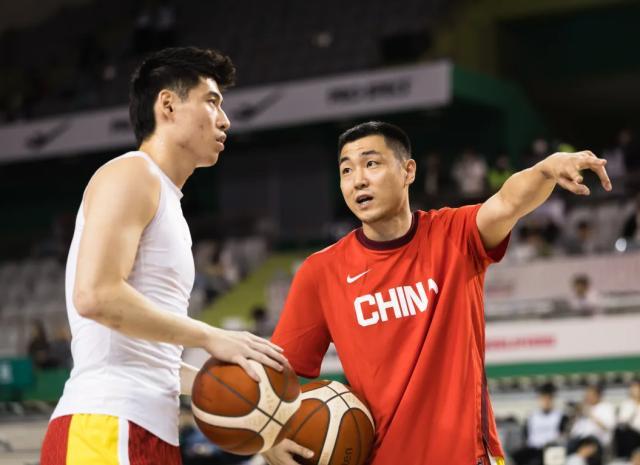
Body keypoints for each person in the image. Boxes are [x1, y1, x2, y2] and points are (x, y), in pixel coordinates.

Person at [263, 121, 612, 465]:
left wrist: (546, 169)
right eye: (346, 170)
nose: (359, 180)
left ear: (408, 171)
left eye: (371, 163)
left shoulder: (455, 234)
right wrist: (268, 435)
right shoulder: (321, 272)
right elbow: (277, 370)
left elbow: (507, 202)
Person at [40, 47, 286, 465]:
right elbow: (95, 295)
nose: (225, 120)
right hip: (106, 426)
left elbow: (154, 364)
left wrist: (263, 418)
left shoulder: (168, 202)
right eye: (212, 101)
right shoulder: (132, 172)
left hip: (145, 428)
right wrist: (210, 336)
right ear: (168, 105)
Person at [513, 383, 568, 465]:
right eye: (543, 398)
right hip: (533, 450)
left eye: (549, 399)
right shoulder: (531, 416)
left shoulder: (561, 416)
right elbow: (526, 436)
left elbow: (563, 435)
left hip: (551, 450)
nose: (546, 402)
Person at [569, 384, 616, 465]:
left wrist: (590, 415)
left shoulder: (606, 407)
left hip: (598, 443)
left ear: (598, 395)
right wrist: (576, 416)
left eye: (590, 395)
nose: (587, 397)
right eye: (587, 395)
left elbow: (609, 427)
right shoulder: (583, 410)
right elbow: (574, 432)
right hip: (581, 442)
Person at [615, 380, 640, 458]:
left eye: (636, 388)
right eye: (632, 389)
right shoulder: (626, 404)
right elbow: (621, 422)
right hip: (631, 434)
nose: (634, 391)